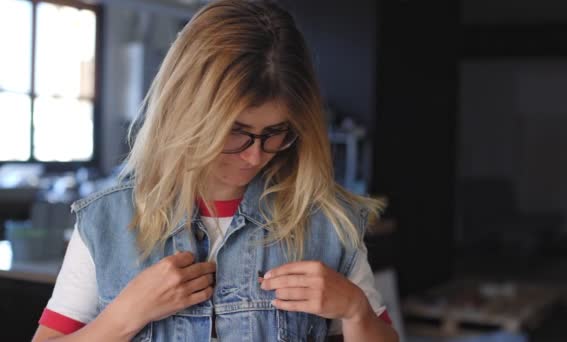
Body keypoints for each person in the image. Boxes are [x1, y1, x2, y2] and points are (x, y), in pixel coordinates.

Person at [32, 0, 398, 341]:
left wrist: (355, 311)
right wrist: (124, 316)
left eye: (275, 133)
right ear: (185, 115)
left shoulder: (326, 223)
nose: (255, 156)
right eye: (236, 133)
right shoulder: (105, 222)